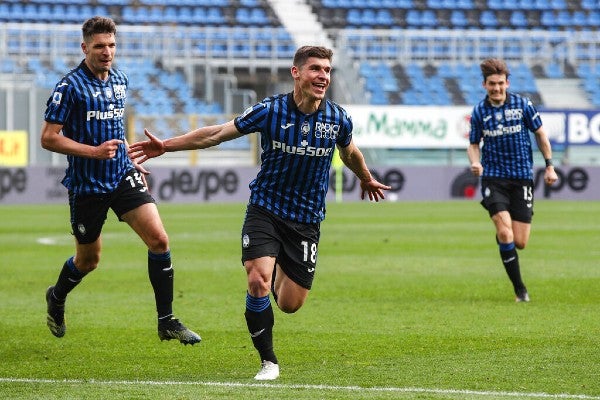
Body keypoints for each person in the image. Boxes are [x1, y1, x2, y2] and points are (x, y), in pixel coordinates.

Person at [128, 46, 391, 380]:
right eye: (315, 69)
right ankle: (269, 361)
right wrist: (166, 145)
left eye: (327, 70)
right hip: (265, 209)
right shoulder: (270, 111)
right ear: (296, 73)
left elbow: (350, 151)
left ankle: (276, 262)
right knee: (257, 281)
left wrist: (366, 178)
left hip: (307, 220)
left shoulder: (338, 118)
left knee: (291, 304)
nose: (323, 76)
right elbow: (216, 133)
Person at [41, 16, 200, 345]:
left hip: (121, 176)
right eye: (99, 46)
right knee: (88, 261)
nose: (107, 51)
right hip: (87, 186)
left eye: (111, 45)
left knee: (159, 240)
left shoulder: (120, 80)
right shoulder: (69, 87)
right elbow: (49, 138)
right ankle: (56, 296)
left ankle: (167, 320)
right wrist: (94, 152)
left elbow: (112, 131)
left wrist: (125, 156)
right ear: (85, 47)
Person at [467, 58, 558, 303]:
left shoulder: (523, 105)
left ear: (507, 83)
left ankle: (503, 235)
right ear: (484, 85)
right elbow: (473, 144)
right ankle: (520, 290)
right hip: (493, 179)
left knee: (520, 241)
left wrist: (549, 166)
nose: (496, 88)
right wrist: (475, 162)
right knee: (506, 233)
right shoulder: (479, 111)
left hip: (522, 178)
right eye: (491, 84)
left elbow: (540, 133)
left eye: (500, 83)